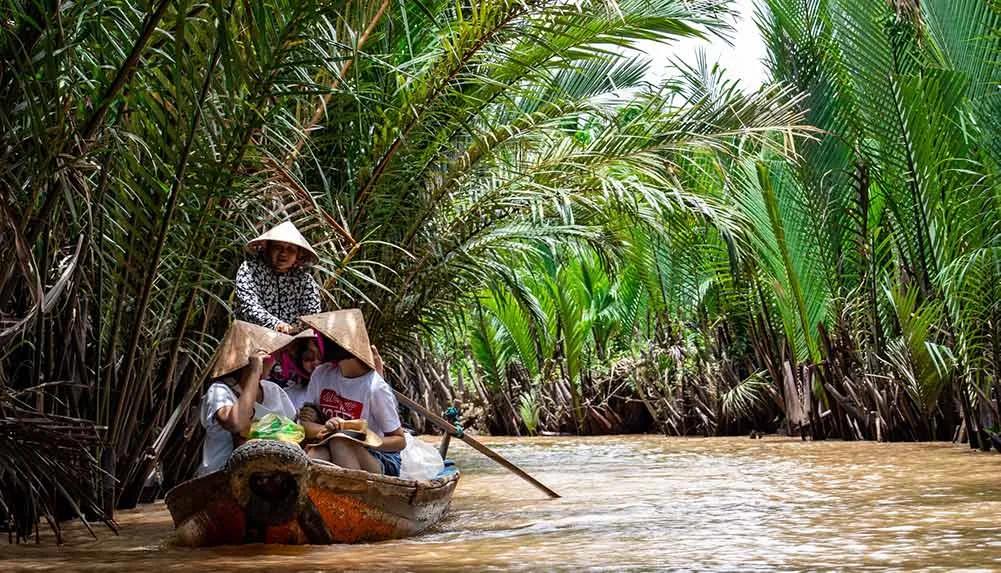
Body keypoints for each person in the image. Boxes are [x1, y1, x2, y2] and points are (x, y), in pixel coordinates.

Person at [298, 309, 405, 476]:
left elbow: (399, 441)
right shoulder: (321, 374)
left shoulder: (375, 387)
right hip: (331, 444)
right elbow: (305, 423)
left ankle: (356, 497)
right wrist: (329, 428)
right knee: (318, 453)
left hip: (379, 457)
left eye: (323, 339)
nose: (317, 345)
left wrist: (365, 437)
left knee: (340, 440)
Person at [197, 321, 299, 476]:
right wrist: (254, 371)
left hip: (270, 476)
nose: (275, 361)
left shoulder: (273, 390)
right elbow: (236, 423)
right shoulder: (219, 390)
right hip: (222, 476)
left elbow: (294, 429)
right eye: (270, 356)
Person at [235, 221, 321, 334]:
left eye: (291, 249)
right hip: (254, 337)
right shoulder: (250, 269)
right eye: (278, 247)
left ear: (298, 255)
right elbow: (248, 306)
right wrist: (278, 326)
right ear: (268, 249)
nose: (283, 253)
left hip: (292, 341)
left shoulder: (304, 280)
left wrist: (297, 332)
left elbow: (312, 315)